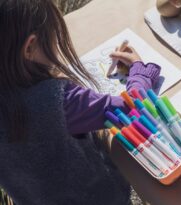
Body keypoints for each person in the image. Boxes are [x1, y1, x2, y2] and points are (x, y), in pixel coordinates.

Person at [0, 0, 160, 204]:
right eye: (54, 37)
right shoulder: (60, 102)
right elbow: (133, 108)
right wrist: (140, 71)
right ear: (30, 47)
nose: (58, 45)